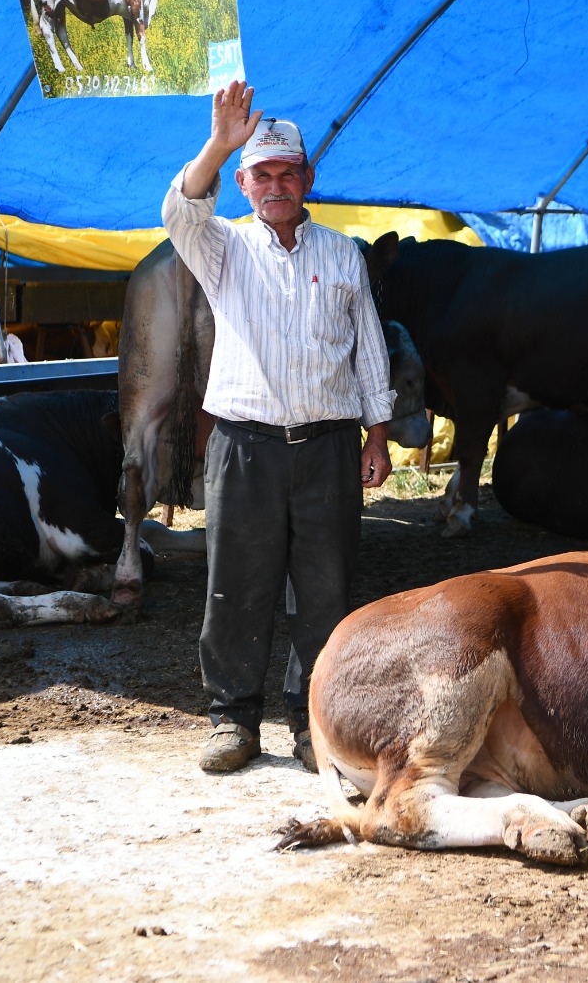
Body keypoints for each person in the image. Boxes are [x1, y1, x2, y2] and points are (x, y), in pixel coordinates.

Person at [163, 80, 393, 773]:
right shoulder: (223, 249)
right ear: (241, 183)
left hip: (327, 446)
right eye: (261, 173)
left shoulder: (343, 254)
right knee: (236, 586)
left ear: (308, 179)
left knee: (325, 592)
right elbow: (177, 211)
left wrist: (377, 436)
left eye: (287, 172)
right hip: (244, 447)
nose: (276, 184)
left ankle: (313, 723)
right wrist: (218, 142)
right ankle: (231, 720)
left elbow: (370, 349)